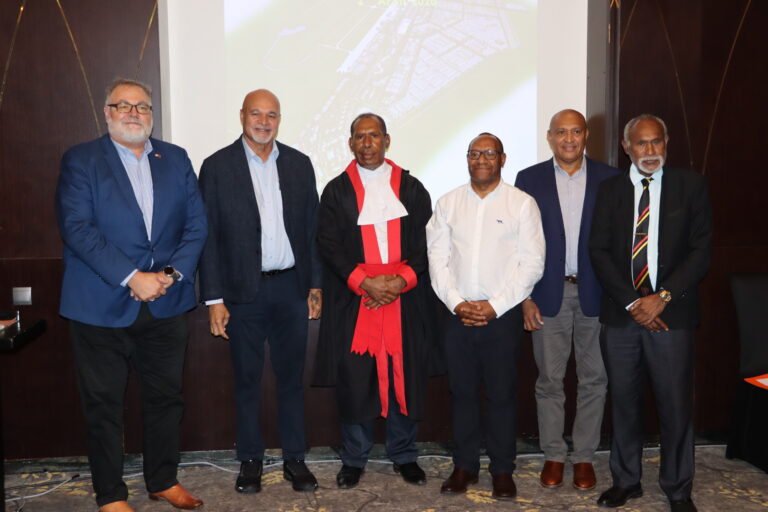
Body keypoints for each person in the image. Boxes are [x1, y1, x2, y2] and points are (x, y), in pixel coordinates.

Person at [56, 78, 207, 512]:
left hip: (166, 301)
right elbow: (77, 228)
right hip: (100, 305)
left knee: (166, 399)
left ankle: (163, 480)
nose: (133, 113)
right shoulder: (82, 160)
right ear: (107, 112)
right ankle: (110, 495)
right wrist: (132, 277)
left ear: (151, 115)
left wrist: (170, 275)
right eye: (123, 105)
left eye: (142, 107)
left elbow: (197, 225)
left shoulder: (175, 158)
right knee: (103, 405)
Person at [197, 89, 322, 495]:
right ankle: (250, 460)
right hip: (241, 292)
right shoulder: (217, 166)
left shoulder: (299, 164)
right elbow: (207, 237)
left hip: (290, 287)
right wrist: (214, 299)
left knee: (291, 379)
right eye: (256, 114)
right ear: (242, 116)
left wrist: (315, 284)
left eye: (271, 115)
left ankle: (295, 459)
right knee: (247, 380)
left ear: (279, 120)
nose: (264, 122)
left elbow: (312, 230)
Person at [589, 114, 712, 512]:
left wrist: (663, 297)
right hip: (622, 315)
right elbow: (599, 251)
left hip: (672, 317)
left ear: (666, 141)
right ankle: (626, 481)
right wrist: (633, 302)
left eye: (656, 141)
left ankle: (678, 489)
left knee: (675, 406)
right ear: (626, 147)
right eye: (641, 143)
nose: (650, 150)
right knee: (624, 402)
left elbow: (701, 251)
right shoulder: (609, 190)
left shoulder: (691, 186)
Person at [313, 113, 434, 490]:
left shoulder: (411, 188)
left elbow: (429, 242)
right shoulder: (336, 191)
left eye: (374, 136)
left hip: (403, 297)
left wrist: (400, 281)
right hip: (355, 299)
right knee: (356, 379)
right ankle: (354, 458)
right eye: (360, 137)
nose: (367, 144)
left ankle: (405, 454)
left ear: (387, 140)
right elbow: (327, 244)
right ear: (350, 143)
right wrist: (364, 282)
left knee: (405, 376)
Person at [426, 132, 545, 500]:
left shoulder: (521, 204)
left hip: (502, 316)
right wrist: (456, 302)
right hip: (457, 315)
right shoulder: (448, 203)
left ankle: (502, 470)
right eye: (474, 153)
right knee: (461, 393)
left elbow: (532, 263)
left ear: (502, 159)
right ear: (467, 158)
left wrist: (495, 306)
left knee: (501, 395)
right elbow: (437, 259)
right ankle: (464, 466)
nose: (481, 159)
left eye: (489, 153)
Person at [515, 110, 619, 490]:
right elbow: (517, 242)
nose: (569, 139)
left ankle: (584, 457)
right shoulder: (529, 179)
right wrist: (525, 297)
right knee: (549, 380)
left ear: (586, 135)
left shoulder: (611, 178)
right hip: (547, 293)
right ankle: (554, 455)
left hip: (597, 294)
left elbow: (619, 240)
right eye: (562, 132)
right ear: (550, 137)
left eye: (576, 131)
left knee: (595, 379)